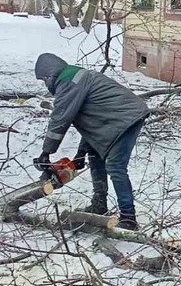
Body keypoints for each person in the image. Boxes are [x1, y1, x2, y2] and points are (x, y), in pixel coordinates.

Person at [33, 53, 149, 230]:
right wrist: (81, 153)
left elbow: (60, 119)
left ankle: (128, 217)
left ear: (49, 76)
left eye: (43, 81)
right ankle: (99, 205)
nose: (45, 85)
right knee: (95, 156)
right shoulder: (75, 77)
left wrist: (46, 152)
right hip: (113, 120)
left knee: (116, 166)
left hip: (125, 118)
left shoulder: (69, 83)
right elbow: (92, 122)